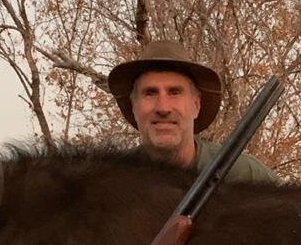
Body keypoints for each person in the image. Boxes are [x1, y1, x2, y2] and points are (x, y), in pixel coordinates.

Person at [108, 40, 277, 183]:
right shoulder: (110, 180)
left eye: (175, 92)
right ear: (133, 107)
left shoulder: (246, 175)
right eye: (150, 93)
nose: (163, 108)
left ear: (197, 104)